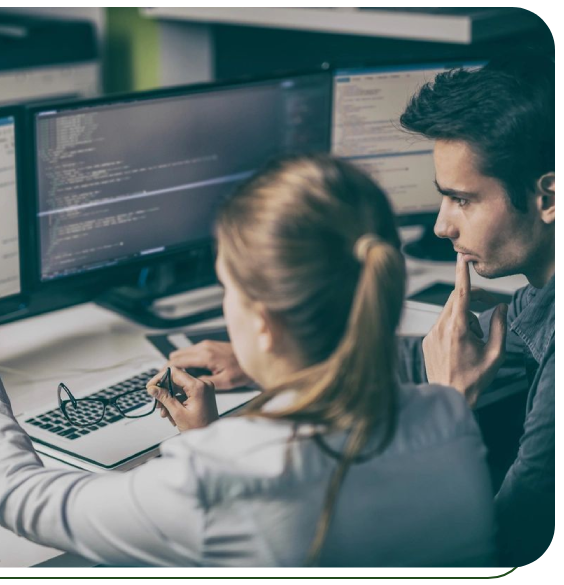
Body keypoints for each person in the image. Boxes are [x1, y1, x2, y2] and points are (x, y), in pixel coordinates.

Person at [0, 155, 496, 568]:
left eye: (227, 286)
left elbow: (20, 500)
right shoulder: (447, 413)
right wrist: (199, 439)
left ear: (260, 322)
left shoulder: (219, 476)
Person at [172, 53, 555, 567]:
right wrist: (279, 355)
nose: (443, 226)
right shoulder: (540, 299)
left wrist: (446, 405)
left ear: (548, 197)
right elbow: (438, 354)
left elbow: (503, 551)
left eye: (462, 200)